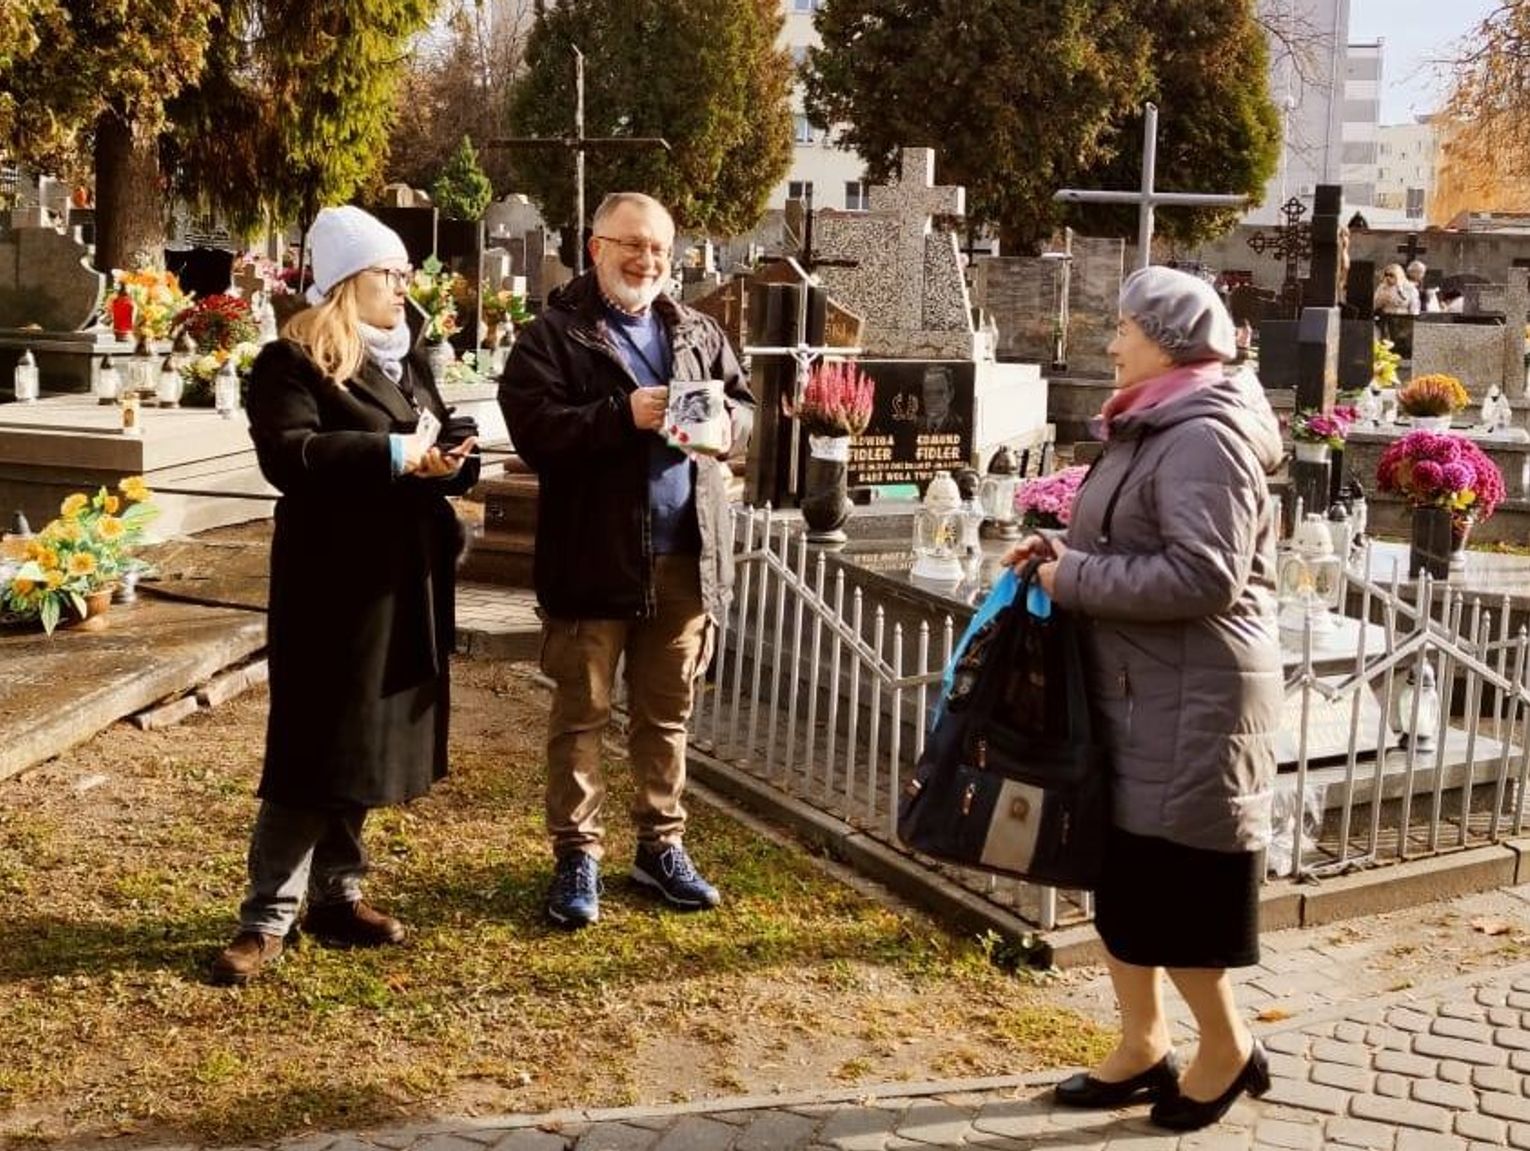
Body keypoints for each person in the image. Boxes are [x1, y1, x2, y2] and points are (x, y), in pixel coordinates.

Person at [1003, 266, 1283, 1132]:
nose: (1112, 341)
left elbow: (1203, 575)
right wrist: (1061, 545)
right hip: (1136, 694)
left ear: (1165, 338)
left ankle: (1229, 1047)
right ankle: (1144, 1041)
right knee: (1124, 883)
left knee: (1176, 896)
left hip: (1191, 700)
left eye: (1124, 327)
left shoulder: (1206, 434)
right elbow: (1139, 535)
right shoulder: (1152, 420)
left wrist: (1074, 574)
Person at [211, 206, 480, 985]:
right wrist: (398, 453)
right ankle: (266, 916)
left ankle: (337, 892)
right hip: (333, 580)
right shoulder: (289, 362)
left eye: (403, 274)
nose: (404, 287)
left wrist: (452, 459)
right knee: (314, 743)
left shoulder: (406, 356)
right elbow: (291, 454)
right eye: (389, 274)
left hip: (403, 576)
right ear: (347, 282)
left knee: (366, 739)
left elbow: (434, 444)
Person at [499, 192, 754, 929]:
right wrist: (622, 415)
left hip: (685, 556)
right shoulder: (553, 335)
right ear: (596, 248)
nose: (647, 262)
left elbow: (744, 413)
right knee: (581, 712)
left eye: (660, 251)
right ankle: (577, 853)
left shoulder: (698, 331)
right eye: (633, 246)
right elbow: (534, 430)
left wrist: (722, 424)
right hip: (593, 555)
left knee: (666, 712)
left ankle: (659, 845)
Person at [916, 364, 966, 435]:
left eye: (939, 393)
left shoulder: (960, 425)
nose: (932, 399)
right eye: (928, 393)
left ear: (950, 394)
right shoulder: (915, 425)